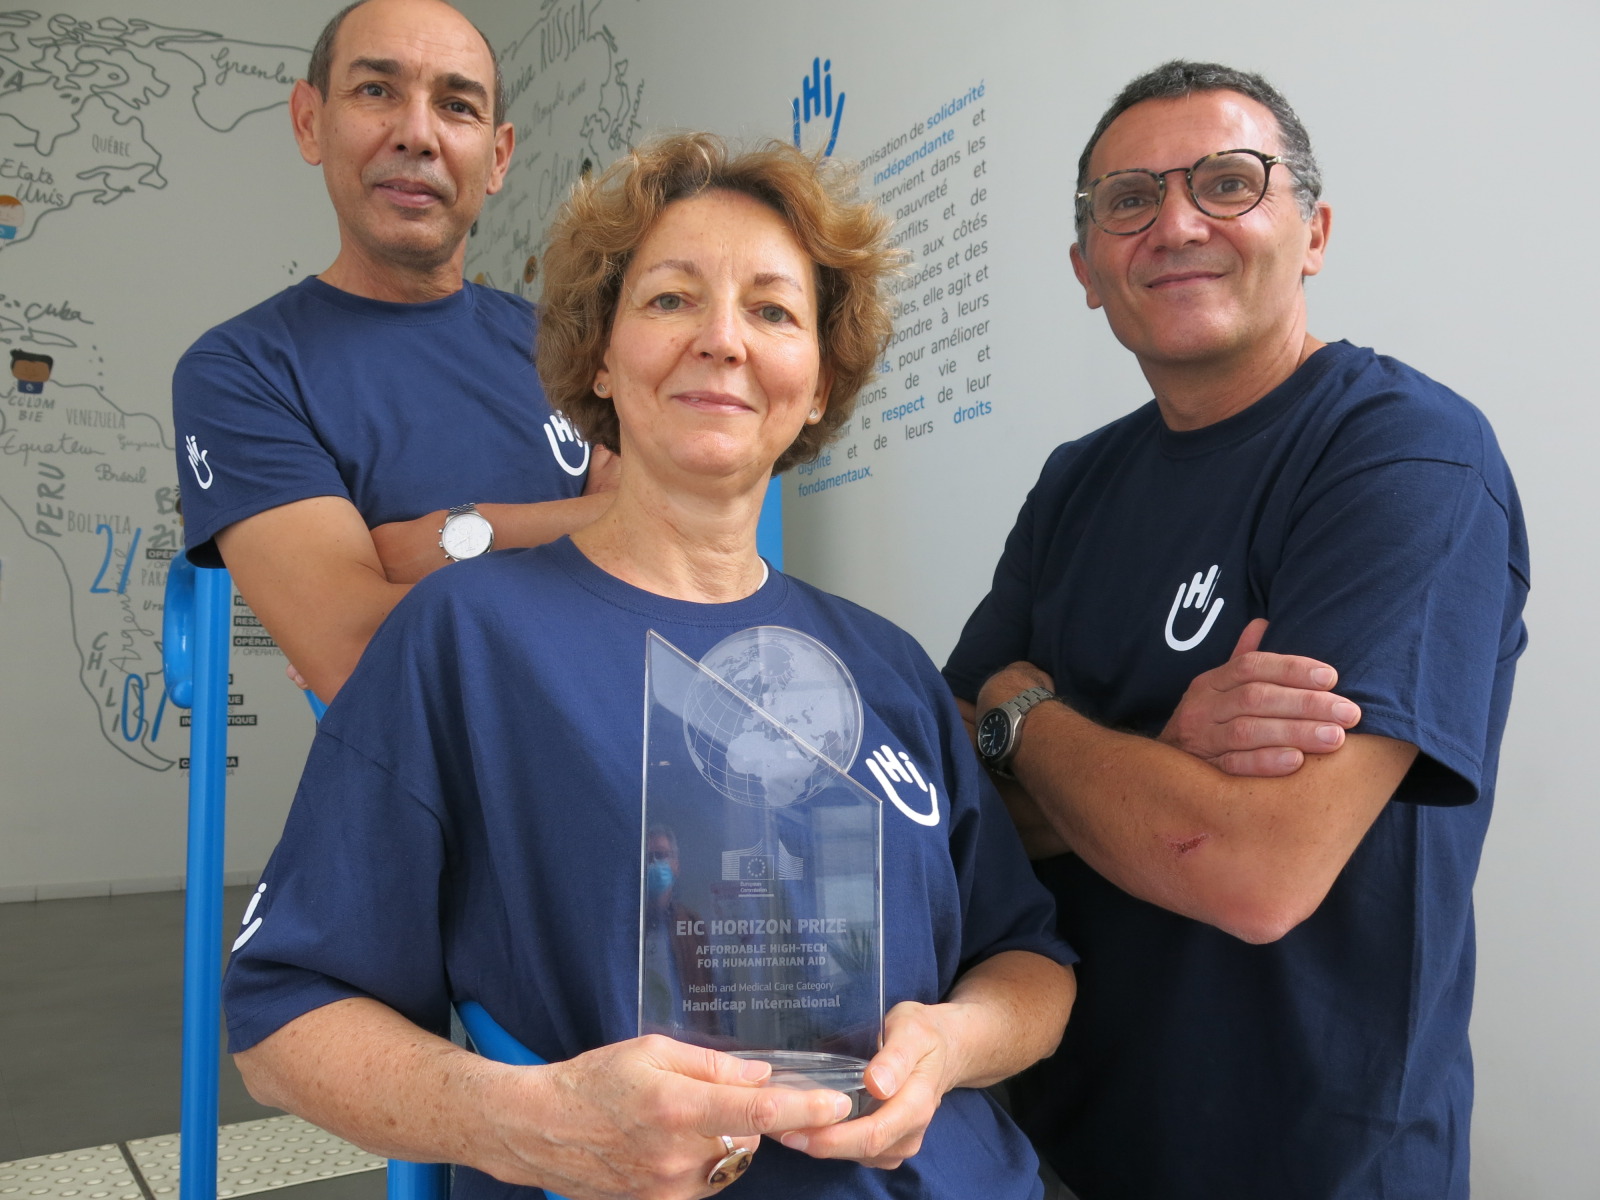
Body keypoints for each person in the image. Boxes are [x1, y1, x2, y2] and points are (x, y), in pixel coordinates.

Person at [223, 133, 1078, 1200]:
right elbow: (280, 1018)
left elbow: (1029, 963)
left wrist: (950, 1046)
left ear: (818, 383)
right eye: (672, 299)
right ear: (599, 357)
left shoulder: (886, 664)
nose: (722, 340)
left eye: (773, 312)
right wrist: (528, 1123)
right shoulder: (468, 641)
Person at [944, 61, 1529, 1199]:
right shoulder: (1073, 487)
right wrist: (1162, 760)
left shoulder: (1405, 455)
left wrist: (1025, 716)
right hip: (1057, 1148)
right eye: (1129, 200)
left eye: (1226, 182)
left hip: (1321, 1165)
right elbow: (951, 811)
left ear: (1313, 232)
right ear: (1086, 270)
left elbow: (1254, 869)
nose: (1175, 225)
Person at [171, 0, 616, 703]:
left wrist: (458, 536)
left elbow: (679, 542)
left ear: (497, 157)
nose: (417, 135)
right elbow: (357, 653)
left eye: (457, 106)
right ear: (309, 122)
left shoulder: (572, 346)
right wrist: (599, 534)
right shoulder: (244, 371)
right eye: (376, 90)